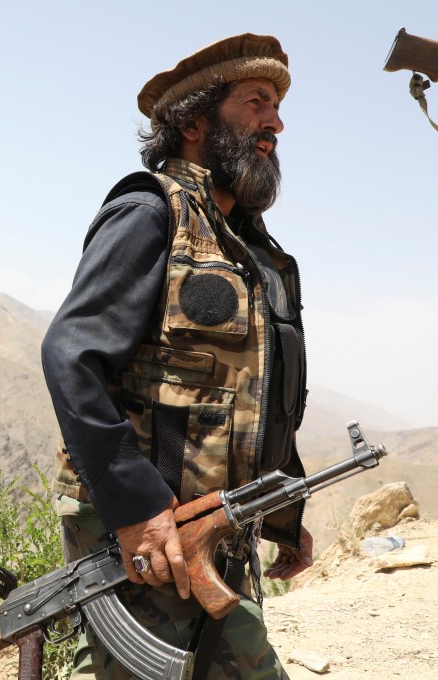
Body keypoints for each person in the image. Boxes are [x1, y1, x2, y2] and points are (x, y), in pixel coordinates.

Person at [40, 34, 313, 679]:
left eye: (276, 105)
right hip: (144, 535)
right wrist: (136, 510)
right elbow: (71, 354)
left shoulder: (252, 251)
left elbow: (256, 396)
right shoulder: (148, 212)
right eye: (256, 102)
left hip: (212, 531)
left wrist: (283, 513)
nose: (275, 121)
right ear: (194, 123)